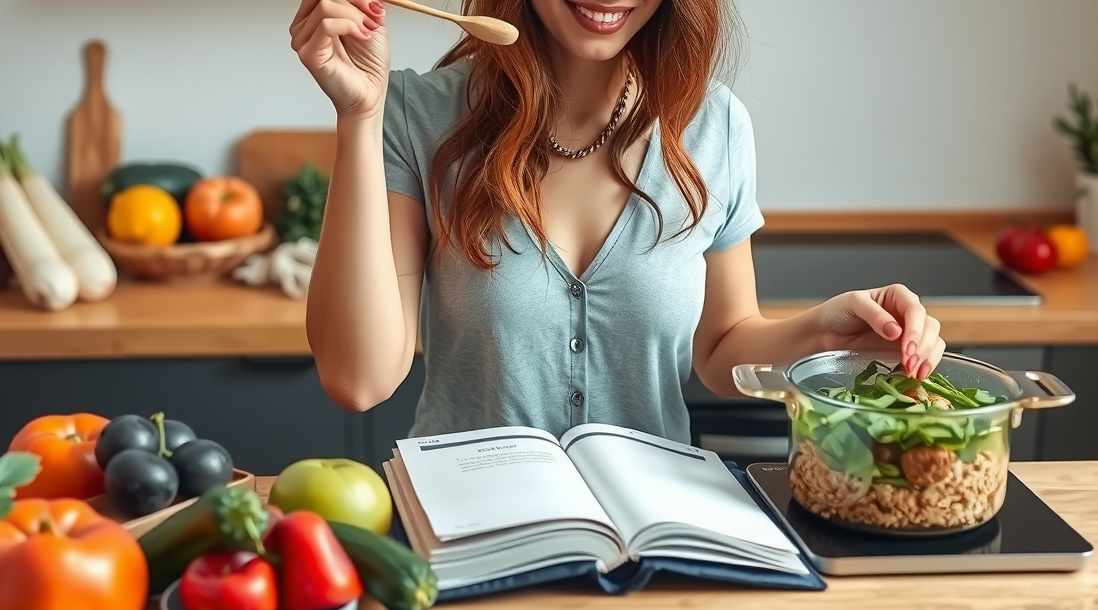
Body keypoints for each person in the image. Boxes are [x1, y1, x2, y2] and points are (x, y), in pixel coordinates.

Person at [290, 0, 946, 445]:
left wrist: (822, 333)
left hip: (648, 548)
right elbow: (359, 379)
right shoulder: (413, 115)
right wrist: (359, 115)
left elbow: (722, 353)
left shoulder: (715, 125)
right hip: (466, 537)